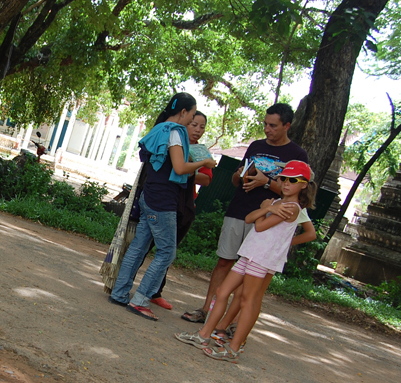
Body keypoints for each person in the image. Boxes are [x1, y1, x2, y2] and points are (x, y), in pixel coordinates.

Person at [175, 161, 318, 362]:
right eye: (283, 178)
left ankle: (233, 348)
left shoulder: (292, 207)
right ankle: (204, 334)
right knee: (223, 292)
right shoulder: (276, 203)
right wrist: (265, 208)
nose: (286, 184)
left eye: (293, 180)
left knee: (247, 300)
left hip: (261, 258)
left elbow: (259, 226)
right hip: (249, 252)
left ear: (304, 184)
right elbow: (250, 218)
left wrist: (265, 211)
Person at [181, 103, 308, 324]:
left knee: (250, 271)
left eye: (273, 126)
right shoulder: (256, 146)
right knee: (224, 262)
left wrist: (266, 182)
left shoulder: (297, 155)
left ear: (287, 125)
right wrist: (239, 176)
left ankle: (229, 322)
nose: (268, 129)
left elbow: (295, 194)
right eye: (266, 124)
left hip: (267, 220)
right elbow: (234, 180)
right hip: (238, 210)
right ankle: (207, 310)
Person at [109, 93, 217, 320]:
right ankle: (140, 301)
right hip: (163, 200)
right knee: (167, 252)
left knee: (139, 246)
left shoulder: (160, 128)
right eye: (192, 116)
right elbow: (179, 168)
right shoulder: (175, 132)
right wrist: (204, 163)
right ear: (184, 112)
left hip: (150, 195)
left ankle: (119, 293)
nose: (192, 122)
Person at [134, 112, 214, 310]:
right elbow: (176, 169)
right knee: (144, 246)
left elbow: (206, 179)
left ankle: (153, 292)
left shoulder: (201, 152)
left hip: (184, 205)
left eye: (202, 127)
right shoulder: (173, 141)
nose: (197, 129)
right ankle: (129, 288)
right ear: (185, 122)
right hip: (162, 201)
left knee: (168, 251)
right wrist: (186, 167)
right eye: (194, 124)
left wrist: (190, 169)